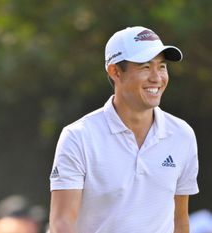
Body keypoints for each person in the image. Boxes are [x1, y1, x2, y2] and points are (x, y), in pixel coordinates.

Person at [49, 26, 199, 233]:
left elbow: (180, 221)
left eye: (162, 66)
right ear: (115, 71)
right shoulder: (78, 136)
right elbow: (62, 223)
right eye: (145, 67)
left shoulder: (182, 135)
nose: (157, 77)